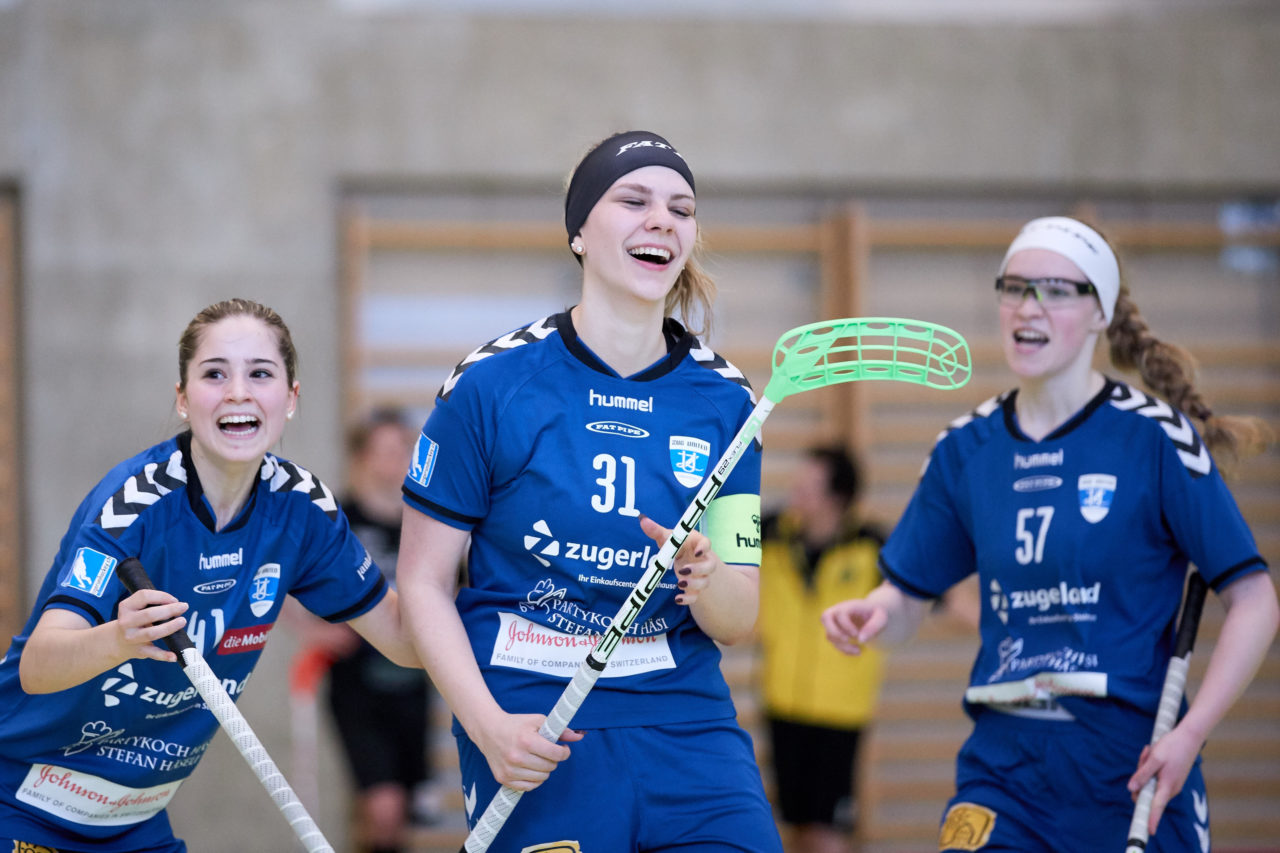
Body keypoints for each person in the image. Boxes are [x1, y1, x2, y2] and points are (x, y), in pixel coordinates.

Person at [821, 216, 1279, 852]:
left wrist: (1192, 732)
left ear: (1101, 312)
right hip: (1004, 768)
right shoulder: (965, 449)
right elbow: (906, 599)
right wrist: (873, 613)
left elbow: (1254, 601)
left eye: (1056, 291)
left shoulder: (1154, 438)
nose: (1027, 308)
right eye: (1014, 287)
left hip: (1129, 765)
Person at [397, 130, 783, 853]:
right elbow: (421, 582)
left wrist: (706, 575)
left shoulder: (729, 404)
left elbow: (739, 617)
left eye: (681, 207)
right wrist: (485, 725)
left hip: (683, 717)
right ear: (578, 231)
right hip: (532, 710)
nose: (662, 220)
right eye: (633, 199)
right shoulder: (491, 385)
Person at [0, 298, 420, 852]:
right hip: (19, 801)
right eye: (214, 373)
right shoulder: (134, 504)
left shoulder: (303, 511)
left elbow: (406, 641)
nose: (238, 392)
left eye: (261, 374)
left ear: (291, 398)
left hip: (133, 820)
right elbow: (39, 665)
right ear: (183, 398)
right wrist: (119, 639)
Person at [292, 409, 441, 853]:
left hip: (415, 684)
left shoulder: (428, 522)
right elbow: (276, 578)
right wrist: (311, 632)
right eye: (384, 451)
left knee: (401, 816)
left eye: (403, 451)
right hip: (356, 685)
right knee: (383, 806)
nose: (395, 461)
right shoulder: (338, 520)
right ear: (361, 457)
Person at [757, 446, 886, 853]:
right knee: (794, 827)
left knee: (826, 833)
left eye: (808, 488)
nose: (796, 495)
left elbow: (937, 599)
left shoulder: (873, 546)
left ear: (837, 498)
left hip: (840, 711)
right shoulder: (771, 533)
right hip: (783, 702)